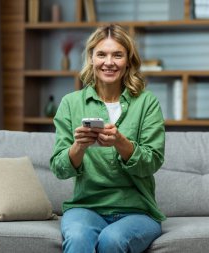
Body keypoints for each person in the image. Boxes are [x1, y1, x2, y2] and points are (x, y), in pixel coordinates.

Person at [49, 24, 166, 253]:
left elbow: (152, 162)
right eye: (101, 54)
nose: (109, 62)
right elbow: (59, 168)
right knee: (78, 238)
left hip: (137, 211)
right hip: (86, 208)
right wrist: (78, 147)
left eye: (117, 55)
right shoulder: (71, 103)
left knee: (112, 240)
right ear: (91, 58)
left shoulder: (147, 103)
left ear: (128, 61)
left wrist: (120, 142)